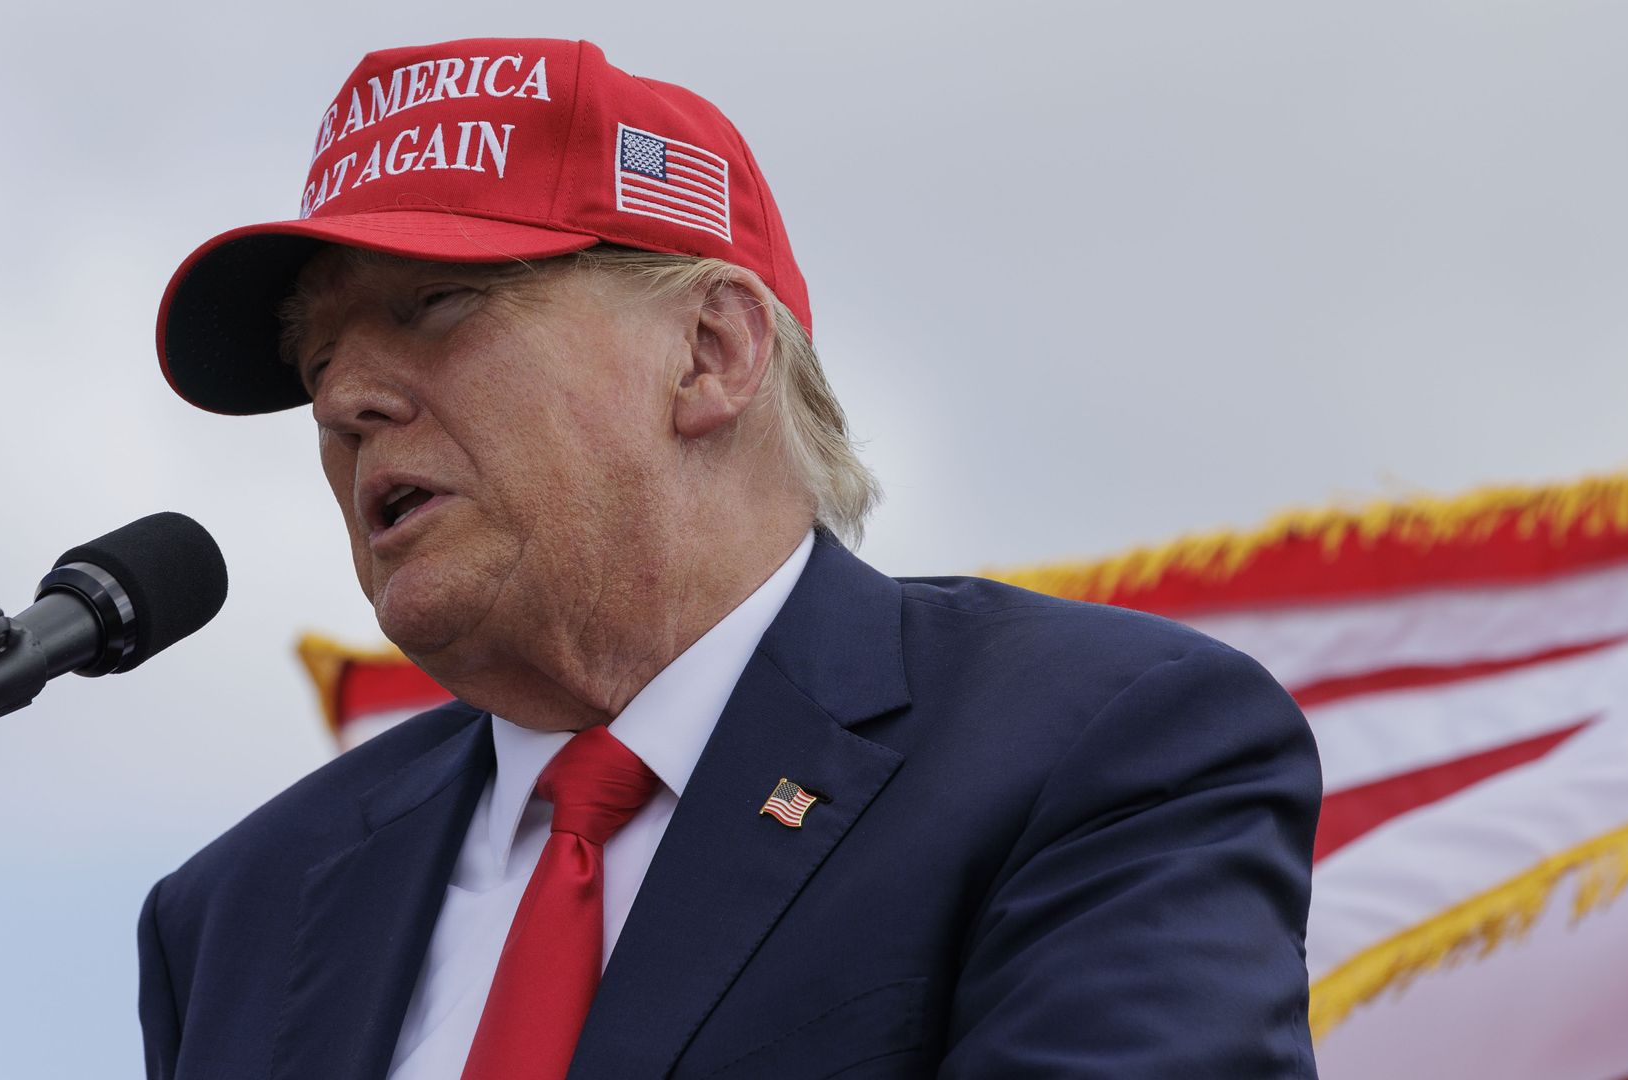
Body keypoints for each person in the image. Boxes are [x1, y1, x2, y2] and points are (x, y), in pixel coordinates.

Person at [139, 36, 1322, 1080]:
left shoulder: (1095, 745)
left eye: (438, 303)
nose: (343, 399)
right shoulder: (236, 912)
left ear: (712, 352)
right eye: (316, 361)